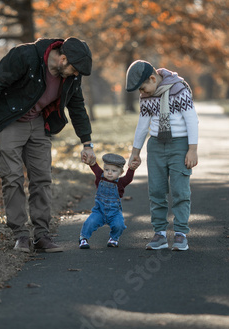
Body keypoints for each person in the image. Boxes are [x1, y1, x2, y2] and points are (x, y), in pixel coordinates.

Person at [0, 37, 96, 253]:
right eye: (75, 69)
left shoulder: (71, 77)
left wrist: (87, 143)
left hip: (39, 124)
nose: (76, 75)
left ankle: (42, 234)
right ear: (62, 59)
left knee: (42, 178)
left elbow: (77, 107)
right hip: (10, 122)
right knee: (12, 178)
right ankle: (21, 235)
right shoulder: (25, 56)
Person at [126, 60, 198, 251]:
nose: (142, 93)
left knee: (180, 191)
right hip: (156, 145)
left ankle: (181, 234)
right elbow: (143, 125)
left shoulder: (178, 90)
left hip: (180, 145)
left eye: (143, 88)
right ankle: (160, 234)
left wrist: (192, 149)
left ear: (152, 78)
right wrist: (135, 153)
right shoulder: (147, 96)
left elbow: (192, 120)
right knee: (156, 191)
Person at [79, 153, 140, 249]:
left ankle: (114, 239)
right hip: (99, 211)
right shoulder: (100, 177)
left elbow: (128, 178)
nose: (109, 173)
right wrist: (92, 162)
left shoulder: (120, 183)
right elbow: (95, 167)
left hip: (114, 212)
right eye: (107, 169)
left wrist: (131, 169)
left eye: (114, 171)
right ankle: (83, 238)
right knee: (90, 222)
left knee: (119, 225)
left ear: (120, 173)